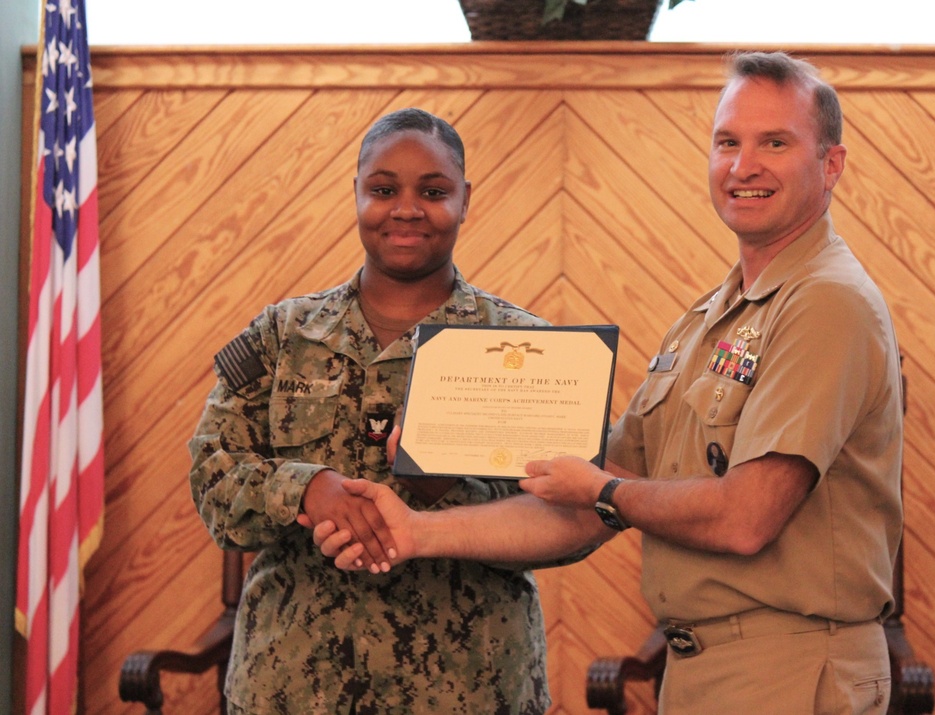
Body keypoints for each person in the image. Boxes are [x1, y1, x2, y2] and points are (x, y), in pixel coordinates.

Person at [315, 51, 904, 714]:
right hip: (705, 671)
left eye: (775, 142)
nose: (744, 166)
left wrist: (604, 490)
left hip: (791, 671)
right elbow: (585, 507)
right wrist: (416, 531)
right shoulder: (708, 320)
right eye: (727, 142)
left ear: (831, 165)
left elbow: (746, 517)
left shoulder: (825, 302)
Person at [188, 107, 590, 714]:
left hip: (468, 688)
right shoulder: (281, 335)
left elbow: (577, 519)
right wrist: (307, 490)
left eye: (433, 191)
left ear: (465, 199)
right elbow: (213, 480)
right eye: (383, 190)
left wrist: (454, 495)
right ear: (356, 193)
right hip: (294, 686)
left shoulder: (527, 348)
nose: (406, 208)